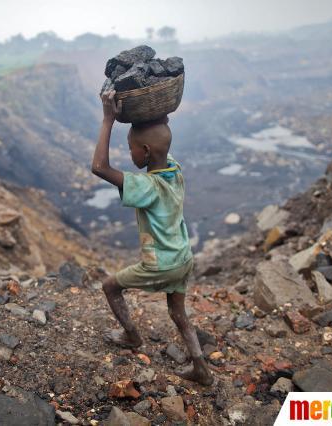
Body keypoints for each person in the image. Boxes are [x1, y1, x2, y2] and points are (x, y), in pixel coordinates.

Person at [90, 90, 213, 386]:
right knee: (177, 312)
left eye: (131, 149)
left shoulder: (148, 186)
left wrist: (108, 120)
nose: (130, 155)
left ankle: (132, 337)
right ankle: (200, 368)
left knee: (110, 287)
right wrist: (144, 115)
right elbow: (162, 136)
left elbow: (99, 167)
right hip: (183, 257)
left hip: (161, 263)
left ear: (145, 151)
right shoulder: (174, 170)